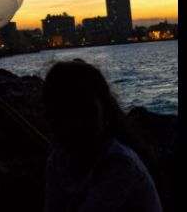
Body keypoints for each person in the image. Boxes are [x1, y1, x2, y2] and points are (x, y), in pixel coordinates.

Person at [42, 59, 163, 212]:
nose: (76, 122)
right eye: (64, 111)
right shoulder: (58, 161)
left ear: (105, 110)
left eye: (86, 109)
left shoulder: (120, 164)